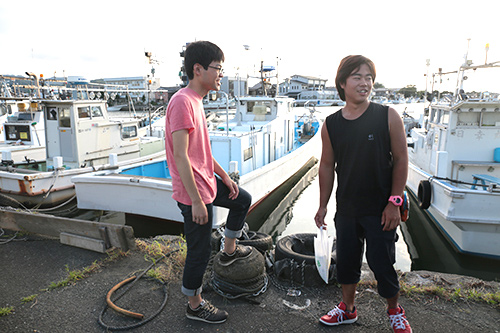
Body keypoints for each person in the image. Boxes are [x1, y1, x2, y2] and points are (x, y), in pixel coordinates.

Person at [314, 55, 412, 333]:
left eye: (369, 77)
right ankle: (347, 309)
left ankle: (395, 311)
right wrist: (322, 206)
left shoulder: (386, 115)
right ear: (342, 83)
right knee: (346, 261)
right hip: (346, 207)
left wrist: (395, 201)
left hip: (382, 207)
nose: (365, 82)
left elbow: (402, 159)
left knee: (383, 263)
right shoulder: (331, 124)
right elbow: (326, 166)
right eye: (357, 76)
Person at [165, 41, 252, 324]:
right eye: (217, 68)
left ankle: (228, 251)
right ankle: (194, 304)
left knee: (242, 199)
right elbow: (180, 156)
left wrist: (225, 177)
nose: (220, 74)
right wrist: (197, 201)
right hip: (194, 193)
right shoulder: (181, 101)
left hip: (207, 184)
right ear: (198, 69)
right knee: (199, 251)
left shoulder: (196, 101)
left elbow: (200, 152)